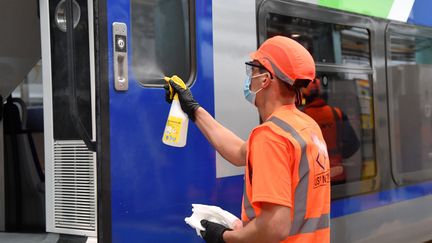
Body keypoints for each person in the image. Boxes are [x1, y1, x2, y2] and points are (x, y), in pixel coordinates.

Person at [164, 36, 330, 243]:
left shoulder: (271, 137)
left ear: (265, 79)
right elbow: (239, 152)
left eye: (252, 71)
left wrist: (225, 237)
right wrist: (193, 109)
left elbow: (275, 227)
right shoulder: (305, 126)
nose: (249, 78)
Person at [301, 78, 360, 184]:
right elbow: (353, 145)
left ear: (303, 95)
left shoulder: (301, 118)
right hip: (338, 175)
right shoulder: (337, 113)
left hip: (315, 179)